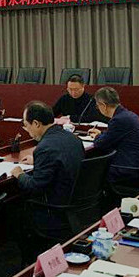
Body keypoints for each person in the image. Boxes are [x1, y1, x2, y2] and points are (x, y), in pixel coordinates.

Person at [10, 101, 85, 259]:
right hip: (77, 205)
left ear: (36, 124)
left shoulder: (45, 147)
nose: (26, 131)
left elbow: (35, 187)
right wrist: (37, 161)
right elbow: (59, 161)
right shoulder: (72, 138)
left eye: (26, 126)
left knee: (12, 210)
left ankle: (27, 261)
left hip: (53, 209)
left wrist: (19, 174)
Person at [87, 87, 139, 187]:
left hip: (129, 168)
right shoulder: (128, 115)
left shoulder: (119, 120)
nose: (98, 108)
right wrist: (100, 134)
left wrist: (97, 137)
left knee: (90, 169)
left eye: (97, 106)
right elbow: (111, 136)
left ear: (103, 105)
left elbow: (100, 144)